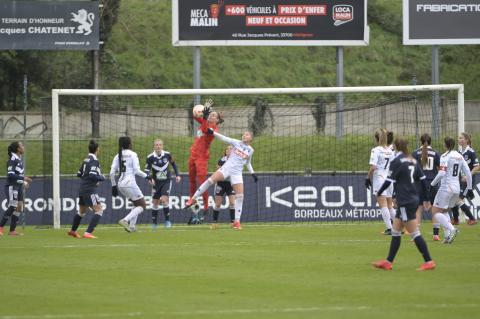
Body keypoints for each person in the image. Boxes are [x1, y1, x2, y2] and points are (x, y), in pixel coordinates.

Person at [372, 137, 435, 271]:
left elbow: (389, 181)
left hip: (405, 201)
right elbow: (423, 181)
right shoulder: (413, 160)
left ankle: (429, 261)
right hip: (412, 198)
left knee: (415, 233)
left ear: (396, 146)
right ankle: (388, 262)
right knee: (395, 231)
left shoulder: (397, 161)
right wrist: (427, 198)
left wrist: (379, 192)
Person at [186, 130, 257, 230]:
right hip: (226, 168)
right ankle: (192, 199)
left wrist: (252, 173)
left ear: (251, 138)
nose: (244, 135)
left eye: (247, 134)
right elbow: (224, 138)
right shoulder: (236, 142)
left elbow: (248, 162)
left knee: (240, 196)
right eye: (244, 134)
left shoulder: (250, 150)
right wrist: (213, 132)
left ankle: (237, 222)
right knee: (210, 181)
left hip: (237, 173)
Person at [430, 137, 474, 244]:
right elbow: (468, 172)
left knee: (435, 212)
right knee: (444, 211)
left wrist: (432, 184)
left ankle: (452, 229)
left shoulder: (445, 156)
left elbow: (441, 173)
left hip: (446, 187)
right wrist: (469, 188)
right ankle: (447, 236)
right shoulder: (459, 156)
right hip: (456, 188)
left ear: (445, 145)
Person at [188, 99, 222, 224]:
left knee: (202, 183)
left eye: (214, 115)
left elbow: (206, 130)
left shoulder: (215, 130)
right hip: (193, 155)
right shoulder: (205, 120)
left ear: (217, 120)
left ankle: (206, 207)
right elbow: (195, 115)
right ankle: (194, 211)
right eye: (211, 114)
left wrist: (205, 116)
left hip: (202, 157)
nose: (211, 115)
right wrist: (201, 111)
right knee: (192, 183)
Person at [110, 136, 152, 232]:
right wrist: (147, 176)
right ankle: (125, 220)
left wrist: (113, 186)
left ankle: (132, 227)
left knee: (136, 203)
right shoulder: (133, 154)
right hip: (129, 183)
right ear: (129, 144)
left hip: (120, 184)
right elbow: (137, 170)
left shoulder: (117, 156)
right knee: (142, 205)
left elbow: (112, 173)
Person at [68, 140, 105, 239]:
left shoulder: (86, 160)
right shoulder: (94, 161)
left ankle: (73, 231)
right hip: (89, 190)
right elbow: (92, 175)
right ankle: (88, 232)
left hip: (82, 189)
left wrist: (88, 179)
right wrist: (101, 177)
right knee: (99, 210)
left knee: (81, 212)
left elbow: (79, 174)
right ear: (97, 149)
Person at [145, 139, 181, 229]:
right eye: (156, 145)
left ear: (162, 146)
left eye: (160, 145)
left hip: (166, 181)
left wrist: (177, 175)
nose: (158, 146)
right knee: (155, 202)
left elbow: (174, 164)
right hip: (156, 183)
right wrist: (149, 178)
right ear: (154, 146)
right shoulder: (150, 157)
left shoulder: (168, 155)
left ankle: (167, 221)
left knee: (164, 200)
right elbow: (147, 170)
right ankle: (154, 223)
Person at [365, 128, 395, 235]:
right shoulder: (390, 151)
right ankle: (397, 227)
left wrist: (368, 177)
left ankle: (390, 228)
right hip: (389, 180)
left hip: (380, 180)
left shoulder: (376, 150)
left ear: (377, 139)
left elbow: (373, 167)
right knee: (390, 205)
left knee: (383, 205)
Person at [0, 142, 32, 236]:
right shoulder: (13, 159)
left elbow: (18, 174)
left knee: (19, 206)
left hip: (18, 185)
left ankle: (12, 230)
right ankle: (0, 227)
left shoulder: (19, 159)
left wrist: (23, 182)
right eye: (22, 145)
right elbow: (10, 174)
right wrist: (23, 179)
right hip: (12, 186)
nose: (23, 147)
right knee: (13, 205)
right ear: (18, 149)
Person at [412, 133, 441, 235]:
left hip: (419, 183)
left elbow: (412, 170)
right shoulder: (436, 153)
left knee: (419, 209)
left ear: (421, 141)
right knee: (434, 208)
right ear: (430, 141)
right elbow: (440, 169)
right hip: (432, 183)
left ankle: (416, 234)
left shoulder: (415, 153)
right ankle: (436, 235)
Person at [451, 132, 479, 225]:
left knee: (458, 198)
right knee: (454, 198)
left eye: (461, 138)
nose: (459, 139)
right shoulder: (459, 153)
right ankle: (455, 219)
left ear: (466, 140)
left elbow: (477, 166)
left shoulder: (471, 152)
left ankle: (472, 218)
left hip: (468, 181)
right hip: (459, 180)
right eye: (459, 138)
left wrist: (468, 176)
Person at [210, 145, 236, 229]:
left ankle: (233, 222)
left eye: (231, 149)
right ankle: (214, 223)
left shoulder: (235, 160)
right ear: (225, 151)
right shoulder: (221, 160)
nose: (229, 150)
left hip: (230, 184)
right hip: (221, 184)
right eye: (227, 149)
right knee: (218, 204)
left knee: (232, 203)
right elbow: (218, 170)